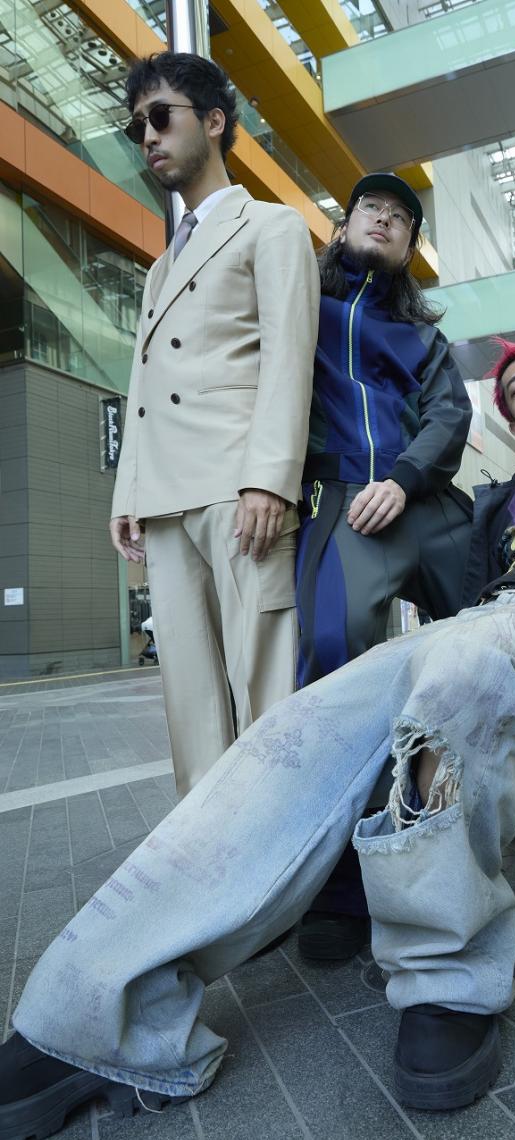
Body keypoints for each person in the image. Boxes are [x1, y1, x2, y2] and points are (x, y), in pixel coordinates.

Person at [3, 335, 515, 1137]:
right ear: (509, 420)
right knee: (295, 727)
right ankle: (92, 1010)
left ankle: (445, 980)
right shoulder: (499, 501)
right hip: (477, 624)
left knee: (466, 677)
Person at [109, 52, 319, 796]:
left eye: (162, 117)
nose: (149, 136)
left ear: (216, 121)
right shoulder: (160, 268)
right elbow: (141, 386)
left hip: (238, 491)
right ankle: (207, 849)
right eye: (138, 126)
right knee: (189, 703)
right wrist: (127, 492)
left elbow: (289, 358)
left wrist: (270, 479)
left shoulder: (273, 226)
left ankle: (281, 846)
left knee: (266, 690)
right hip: (165, 502)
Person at [296, 172, 474, 959]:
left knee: (506, 626)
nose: (386, 219)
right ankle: (341, 884)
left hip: (423, 499)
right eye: (372, 207)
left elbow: (450, 413)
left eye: (402, 217)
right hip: (342, 502)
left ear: (409, 246)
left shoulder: (423, 338)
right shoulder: (304, 303)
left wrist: (404, 479)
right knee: (334, 652)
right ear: (343, 226)